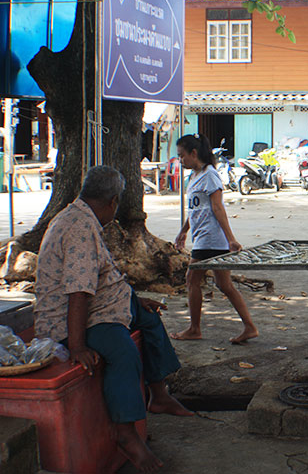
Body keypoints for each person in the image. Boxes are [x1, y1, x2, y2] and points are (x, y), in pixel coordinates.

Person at [34, 166, 193, 473]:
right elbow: (78, 293)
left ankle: (159, 395)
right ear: (113, 201)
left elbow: (101, 279)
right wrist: (78, 346)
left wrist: (132, 300)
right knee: (123, 353)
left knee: (149, 318)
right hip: (74, 318)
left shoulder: (82, 216)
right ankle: (126, 433)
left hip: (106, 305)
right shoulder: (79, 227)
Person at [171, 134, 258, 344]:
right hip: (204, 237)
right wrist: (184, 231)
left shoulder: (210, 175)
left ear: (194, 153)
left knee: (192, 280)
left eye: (182, 156)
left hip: (210, 239)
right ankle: (249, 326)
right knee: (224, 285)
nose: (180, 160)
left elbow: (218, 208)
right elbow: (196, 209)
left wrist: (231, 239)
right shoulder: (194, 176)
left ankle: (194, 328)